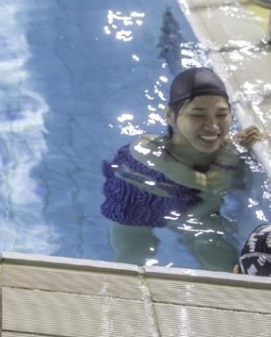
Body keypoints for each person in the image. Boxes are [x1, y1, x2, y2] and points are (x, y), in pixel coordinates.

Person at [100, 67, 263, 271]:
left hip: (190, 199)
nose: (213, 126)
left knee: (215, 250)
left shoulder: (224, 145)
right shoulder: (149, 150)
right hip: (139, 194)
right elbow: (210, 186)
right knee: (132, 255)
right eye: (198, 115)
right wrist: (229, 154)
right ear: (170, 115)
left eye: (222, 114)